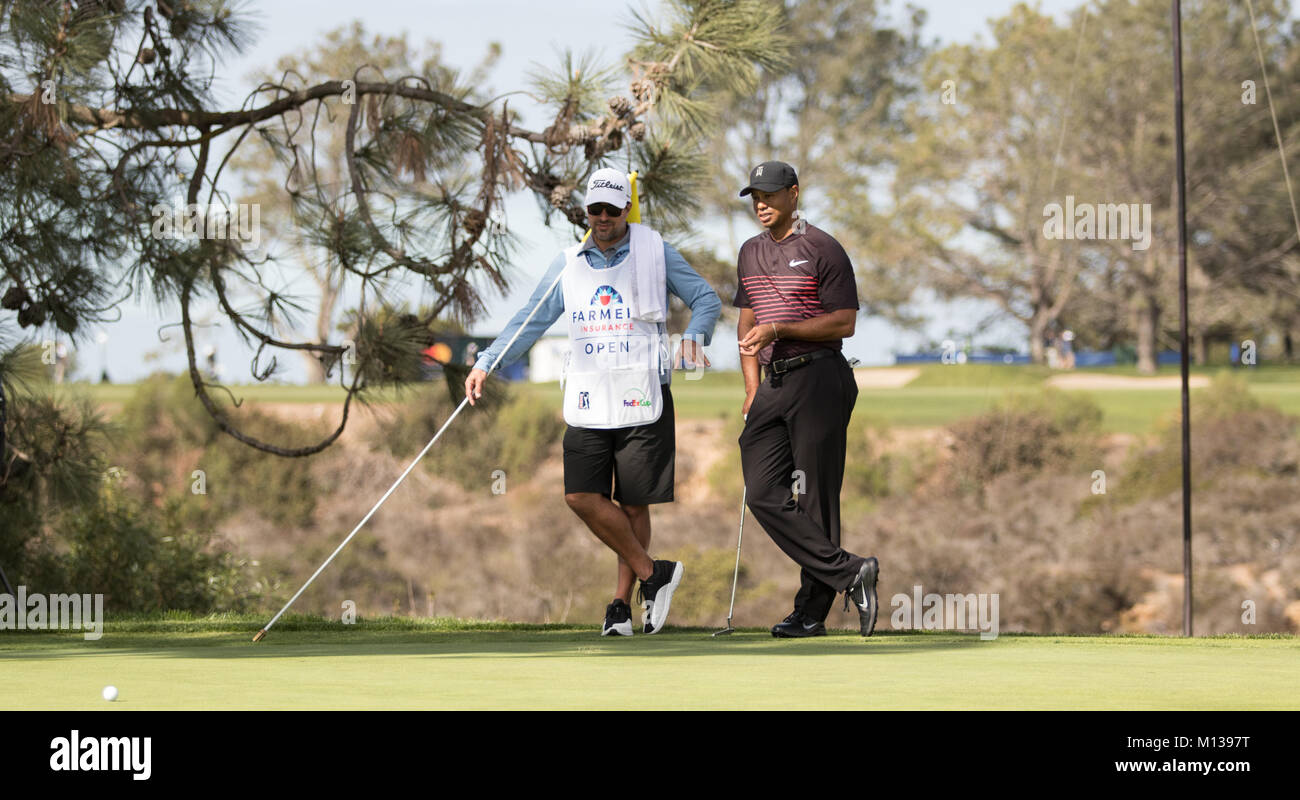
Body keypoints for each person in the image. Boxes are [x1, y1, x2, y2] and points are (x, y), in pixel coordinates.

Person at [464, 167, 721, 636]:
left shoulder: (655, 251)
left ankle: (620, 607)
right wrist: (487, 361)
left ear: (626, 209)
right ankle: (653, 574)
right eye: (594, 210)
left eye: (611, 209)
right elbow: (530, 321)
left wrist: (695, 337)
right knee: (580, 495)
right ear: (586, 212)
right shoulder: (567, 262)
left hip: (643, 391)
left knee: (634, 502)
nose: (602, 218)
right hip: (587, 396)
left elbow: (706, 298)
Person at [732, 160, 879, 638]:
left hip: (819, 377)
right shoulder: (749, 252)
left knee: (816, 497)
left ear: (794, 194)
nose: (761, 203)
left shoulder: (823, 248)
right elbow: (747, 320)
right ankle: (850, 571)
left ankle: (811, 612)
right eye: (755, 195)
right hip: (770, 384)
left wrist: (782, 328)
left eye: (771, 195)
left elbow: (843, 322)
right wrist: (751, 386)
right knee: (762, 492)